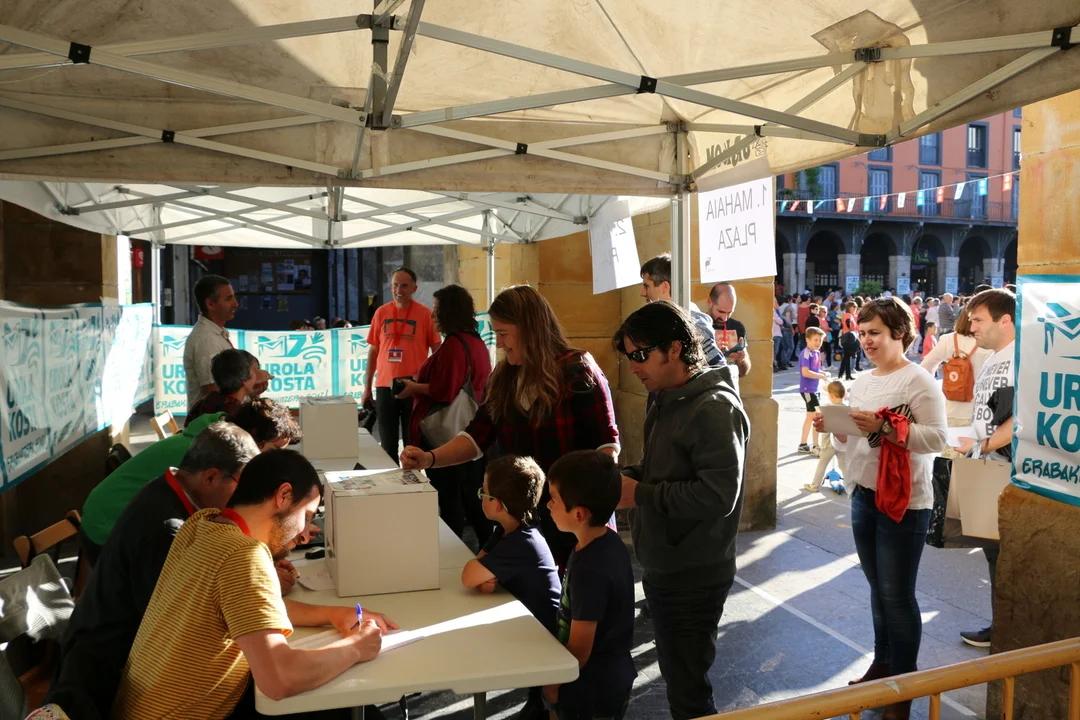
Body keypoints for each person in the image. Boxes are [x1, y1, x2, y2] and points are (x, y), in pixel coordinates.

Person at [111, 450, 397, 720]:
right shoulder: (243, 555)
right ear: (284, 495)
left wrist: (332, 614)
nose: (305, 534)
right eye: (307, 516)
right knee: (350, 710)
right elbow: (280, 678)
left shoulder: (201, 524)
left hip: (143, 709)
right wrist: (356, 647)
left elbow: (251, 607)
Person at [47, 423, 261, 720]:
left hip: (115, 655)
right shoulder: (165, 530)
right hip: (106, 679)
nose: (246, 496)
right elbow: (185, 621)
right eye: (242, 484)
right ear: (211, 477)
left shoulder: (166, 489)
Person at [400, 285, 619, 567]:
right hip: (523, 518)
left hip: (575, 518)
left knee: (575, 588)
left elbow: (606, 447)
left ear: (530, 329)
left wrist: (588, 508)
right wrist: (430, 458)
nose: (500, 344)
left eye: (503, 334)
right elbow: (477, 436)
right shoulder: (503, 377)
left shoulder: (576, 368)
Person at [613, 301, 749, 720]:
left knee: (689, 693)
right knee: (679, 679)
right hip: (666, 562)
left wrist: (640, 494)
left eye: (640, 355)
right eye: (629, 356)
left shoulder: (715, 407)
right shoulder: (666, 397)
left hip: (694, 573)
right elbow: (663, 468)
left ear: (674, 348)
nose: (633, 367)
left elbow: (718, 496)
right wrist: (624, 478)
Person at [815, 297, 947, 720]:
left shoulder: (919, 380)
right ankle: (883, 665)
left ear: (899, 334)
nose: (866, 340)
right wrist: (835, 428)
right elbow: (854, 443)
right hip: (863, 495)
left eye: (875, 333)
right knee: (878, 589)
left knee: (897, 594)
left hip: (904, 502)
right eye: (862, 333)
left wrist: (887, 426)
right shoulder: (863, 381)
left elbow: (937, 439)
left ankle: (903, 690)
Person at [78, 398, 301, 564]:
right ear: (254, 437)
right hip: (106, 524)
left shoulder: (218, 444)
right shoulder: (209, 454)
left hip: (117, 516)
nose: (275, 460)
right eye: (274, 450)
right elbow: (225, 517)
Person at [462, 455, 561, 720]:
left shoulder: (521, 542)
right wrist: (486, 577)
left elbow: (469, 575)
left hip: (545, 639)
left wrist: (484, 576)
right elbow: (478, 571)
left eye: (483, 492)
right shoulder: (512, 529)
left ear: (498, 505)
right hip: (529, 626)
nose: (480, 497)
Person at [398, 284, 494, 546]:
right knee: (470, 498)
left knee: (452, 499)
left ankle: (453, 552)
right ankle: (481, 550)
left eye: (437, 310)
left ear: (450, 312)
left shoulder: (454, 344)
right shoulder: (475, 341)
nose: (433, 315)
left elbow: (444, 391)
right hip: (468, 431)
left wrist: (412, 387)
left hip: (447, 435)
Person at [543, 451, 634, 720]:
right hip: (603, 679)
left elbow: (581, 648)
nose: (548, 505)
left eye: (554, 500)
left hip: (592, 689)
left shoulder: (591, 570)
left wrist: (554, 684)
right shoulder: (605, 541)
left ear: (579, 513)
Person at [955, 288, 1017, 649]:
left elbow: (1023, 416)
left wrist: (983, 445)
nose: (971, 327)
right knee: (992, 552)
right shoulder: (993, 357)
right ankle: (1000, 627)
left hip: (1005, 468)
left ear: (1004, 320)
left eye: (978, 320)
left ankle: (1005, 632)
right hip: (984, 464)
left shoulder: (1023, 358)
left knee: (1004, 554)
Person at [361, 267, 442, 462]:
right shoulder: (381, 312)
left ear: (414, 288)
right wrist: (367, 388)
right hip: (385, 386)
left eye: (404, 286)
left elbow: (437, 350)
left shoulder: (425, 314)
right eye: (395, 285)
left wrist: (432, 383)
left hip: (413, 387)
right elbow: (373, 351)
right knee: (387, 444)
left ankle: (412, 479)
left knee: (412, 443)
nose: (399, 290)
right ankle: (392, 479)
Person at [639, 254, 725, 368]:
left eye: (647, 286)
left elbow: (720, 369)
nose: (642, 293)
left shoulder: (693, 322)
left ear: (665, 287)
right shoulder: (665, 318)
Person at [920, 310, 993, 427]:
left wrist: (935, 393)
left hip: (950, 409)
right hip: (981, 411)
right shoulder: (989, 342)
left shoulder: (948, 339)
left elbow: (925, 366)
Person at [184, 274, 239, 411]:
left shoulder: (215, 333)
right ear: (210, 304)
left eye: (233, 297)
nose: (235, 303)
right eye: (229, 298)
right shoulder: (206, 340)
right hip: (215, 421)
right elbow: (212, 392)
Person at [186, 349, 260, 426]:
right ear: (244, 379)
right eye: (255, 370)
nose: (258, 374)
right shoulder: (237, 414)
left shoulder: (203, 403)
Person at [804, 381, 849, 493]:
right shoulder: (847, 408)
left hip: (828, 443)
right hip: (842, 444)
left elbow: (817, 418)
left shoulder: (825, 408)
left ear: (830, 395)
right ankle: (850, 486)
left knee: (822, 465)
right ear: (844, 395)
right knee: (844, 466)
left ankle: (815, 485)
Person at [707, 282, 751, 377]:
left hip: (729, 383)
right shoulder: (698, 325)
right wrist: (712, 353)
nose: (725, 318)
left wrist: (742, 360)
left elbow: (744, 372)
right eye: (721, 311)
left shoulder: (737, 327)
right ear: (710, 302)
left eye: (729, 313)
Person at [798, 327, 828, 455]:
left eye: (820, 340)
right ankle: (816, 446)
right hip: (808, 389)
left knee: (810, 417)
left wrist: (823, 373)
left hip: (815, 389)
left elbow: (815, 370)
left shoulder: (816, 353)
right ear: (807, 340)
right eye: (815, 340)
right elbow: (805, 372)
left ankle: (803, 444)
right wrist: (821, 376)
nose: (818, 342)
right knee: (817, 417)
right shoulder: (806, 353)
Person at [839, 301, 861, 380]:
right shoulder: (848, 315)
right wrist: (850, 328)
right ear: (849, 307)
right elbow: (847, 322)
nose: (855, 308)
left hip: (848, 336)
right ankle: (845, 374)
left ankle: (843, 374)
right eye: (853, 307)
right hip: (848, 337)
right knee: (848, 356)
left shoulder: (849, 315)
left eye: (855, 307)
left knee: (846, 356)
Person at [771, 298, 786, 372]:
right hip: (776, 334)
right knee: (775, 352)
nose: (777, 304)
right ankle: (774, 366)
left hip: (775, 333)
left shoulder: (774, 311)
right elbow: (780, 321)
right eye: (776, 302)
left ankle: (777, 364)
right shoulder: (773, 311)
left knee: (776, 351)